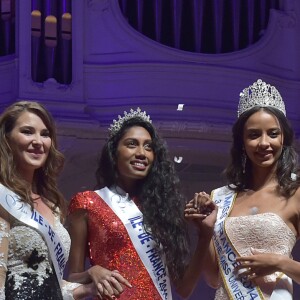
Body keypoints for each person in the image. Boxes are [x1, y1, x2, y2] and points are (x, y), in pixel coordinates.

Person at [67, 108, 217, 299]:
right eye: (132, 144)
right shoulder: (87, 202)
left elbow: (184, 289)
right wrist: (92, 272)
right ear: (114, 152)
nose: (141, 153)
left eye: (148, 147)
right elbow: (71, 279)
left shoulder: (161, 209)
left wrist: (205, 235)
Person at [186, 79, 300, 300]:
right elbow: (212, 279)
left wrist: (280, 263)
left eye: (273, 134)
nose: (264, 143)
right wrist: (204, 232)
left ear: (283, 138)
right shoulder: (220, 198)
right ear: (242, 141)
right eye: (254, 135)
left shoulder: (295, 194)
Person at [0, 101, 96, 299]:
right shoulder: (3, 198)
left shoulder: (52, 206)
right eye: (27, 131)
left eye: (45, 134)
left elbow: (47, 281)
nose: (38, 141)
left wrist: (89, 288)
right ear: (6, 138)